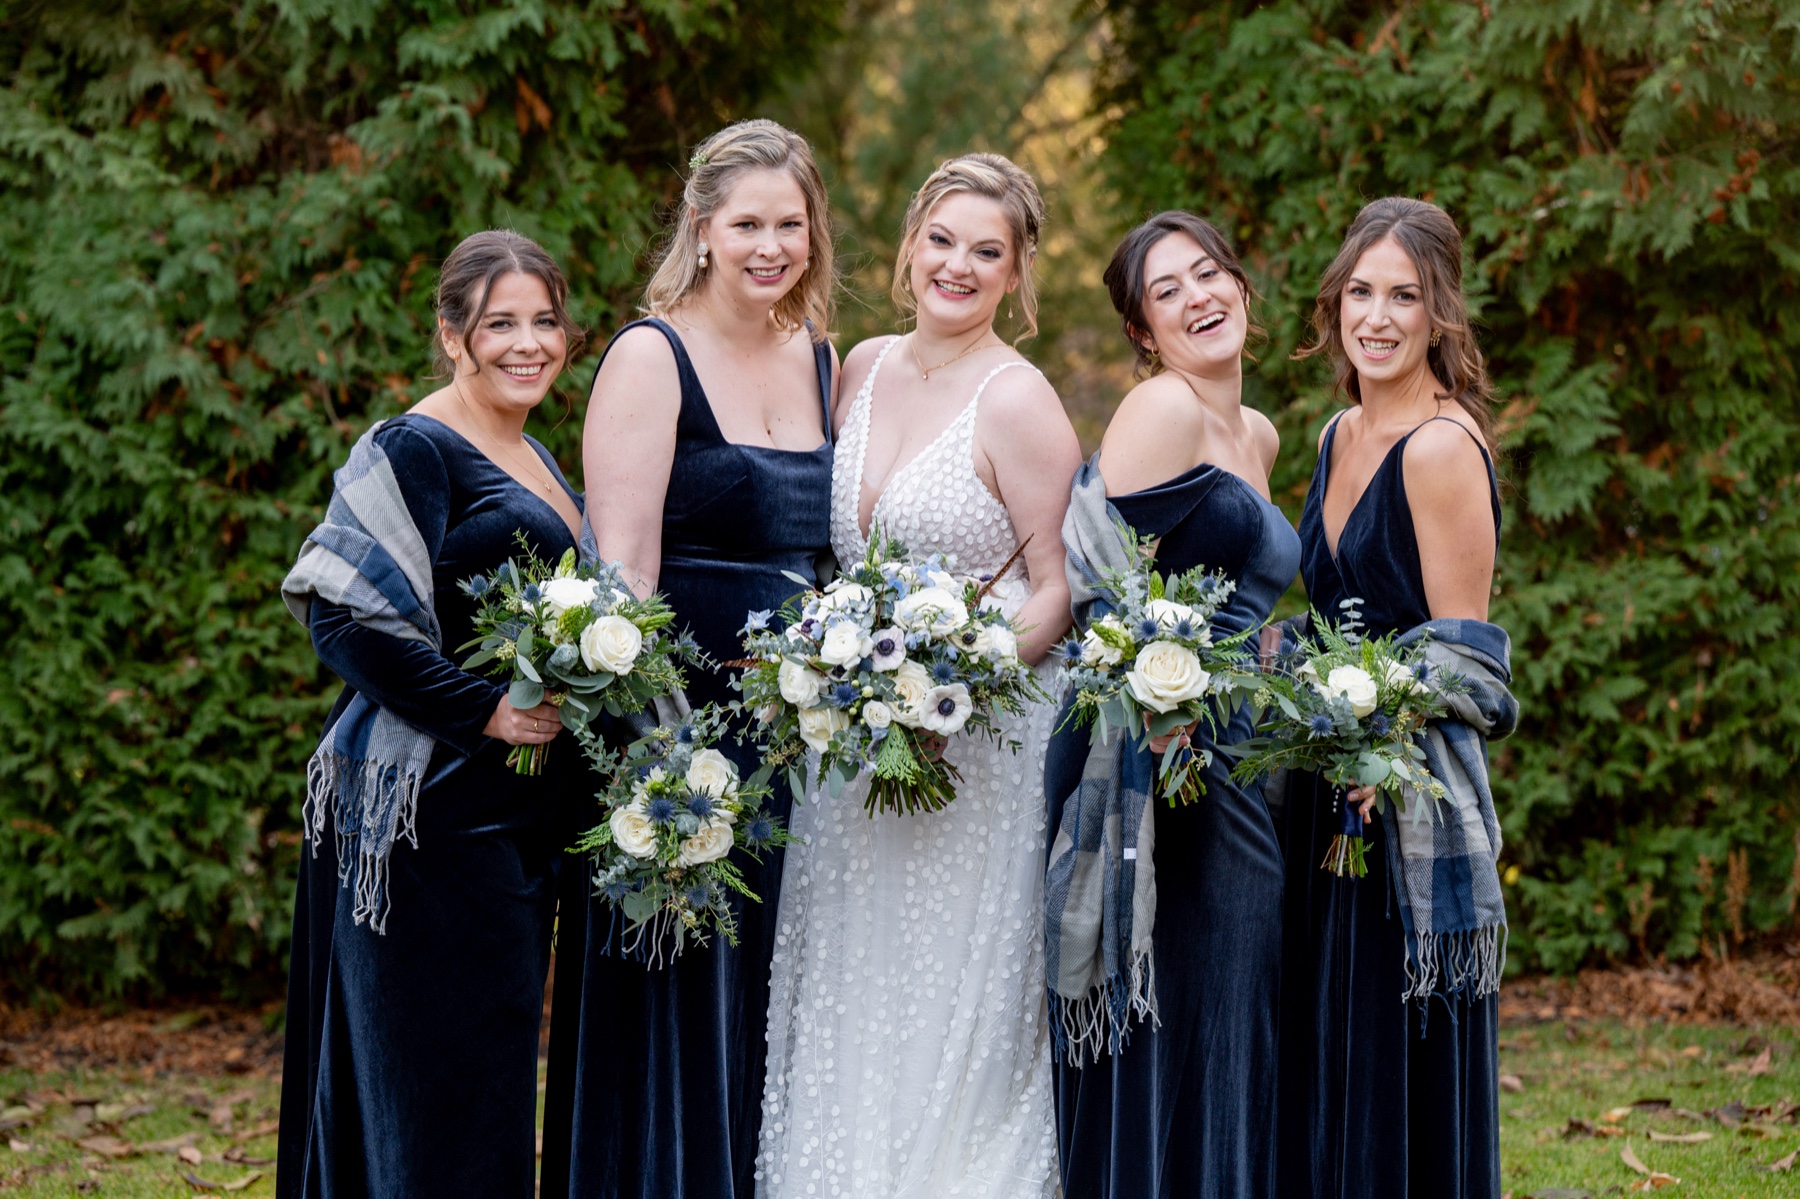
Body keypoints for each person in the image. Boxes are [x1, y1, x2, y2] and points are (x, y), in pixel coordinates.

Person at [755, 152, 1080, 1198]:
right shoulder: (855, 367)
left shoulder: (1020, 400)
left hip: (976, 747)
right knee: (852, 981)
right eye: (942, 240)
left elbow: (1055, 587)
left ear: (1017, 273)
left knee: (951, 996)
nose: (958, 264)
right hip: (851, 744)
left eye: (988, 251)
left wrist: (963, 681)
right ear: (907, 247)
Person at [537, 118, 838, 1199]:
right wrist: (658, 764)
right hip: (679, 726)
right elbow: (622, 576)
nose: (770, 245)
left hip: (801, 727)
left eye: (790, 224)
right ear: (702, 226)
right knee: (677, 985)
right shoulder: (647, 354)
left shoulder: (822, 358)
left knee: (771, 988)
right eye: (747, 223)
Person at [275, 229, 585, 1198]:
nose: (528, 342)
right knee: (440, 1083)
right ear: (453, 334)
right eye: (501, 322)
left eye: (545, 320)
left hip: (513, 819)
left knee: (484, 1079)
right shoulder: (413, 444)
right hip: (430, 815)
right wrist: (484, 709)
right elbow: (341, 615)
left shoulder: (534, 451)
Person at [1042, 211, 1296, 1198]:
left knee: (1225, 989)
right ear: (1143, 331)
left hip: (1226, 736)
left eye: (1211, 272)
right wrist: (1163, 693)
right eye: (1168, 290)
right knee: (1171, 994)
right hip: (1155, 739)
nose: (1201, 295)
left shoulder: (1256, 430)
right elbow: (1105, 575)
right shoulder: (1164, 409)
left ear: (1241, 285)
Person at [1276, 195, 1515, 1199]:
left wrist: (1382, 726)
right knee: (1328, 1053)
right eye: (1361, 291)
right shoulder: (1339, 431)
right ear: (1336, 303)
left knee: (1394, 1067)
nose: (1377, 315)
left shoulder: (1441, 446)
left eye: (1403, 296)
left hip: (1403, 802)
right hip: (1320, 788)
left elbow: (1467, 661)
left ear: (1438, 313)